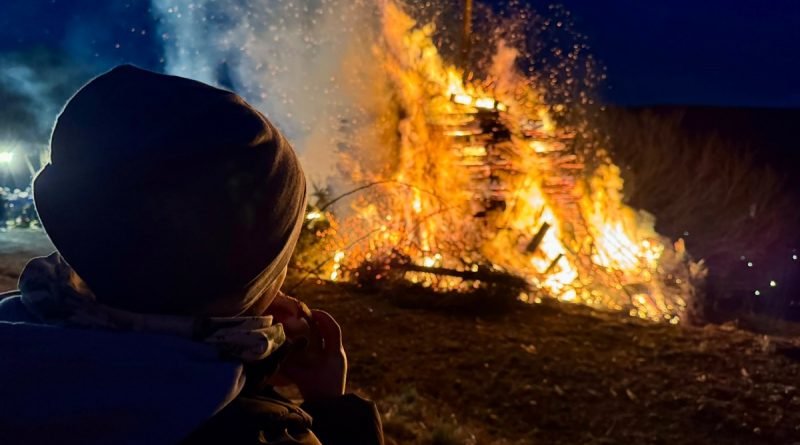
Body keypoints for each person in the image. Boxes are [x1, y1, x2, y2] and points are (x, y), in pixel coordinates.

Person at [0, 65, 384, 445]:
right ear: (242, 276)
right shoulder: (262, 433)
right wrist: (331, 406)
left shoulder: (20, 334)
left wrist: (244, 359)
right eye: (274, 264)